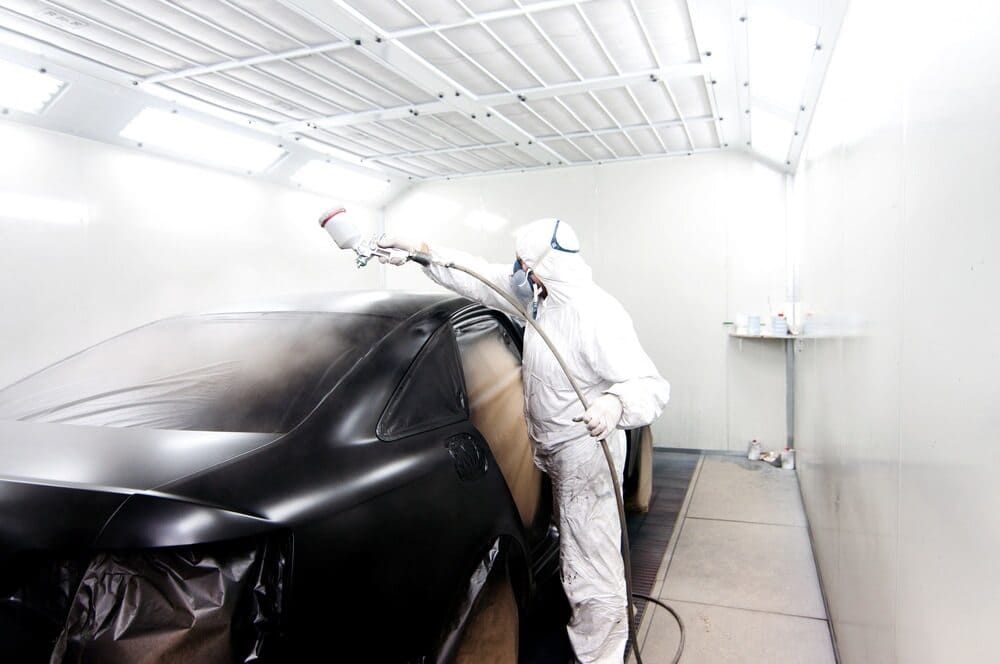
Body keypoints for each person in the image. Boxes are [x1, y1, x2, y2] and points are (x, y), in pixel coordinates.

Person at [379, 218, 669, 664]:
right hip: (551, 445)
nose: (515, 269)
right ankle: (603, 623)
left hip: (586, 451)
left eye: (522, 263)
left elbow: (650, 385)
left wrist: (614, 403)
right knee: (577, 547)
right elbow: (477, 278)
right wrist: (420, 251)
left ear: (542, 267)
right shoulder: (539, 299)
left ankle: (603, 654)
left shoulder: (595, 314)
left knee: (589, 560)